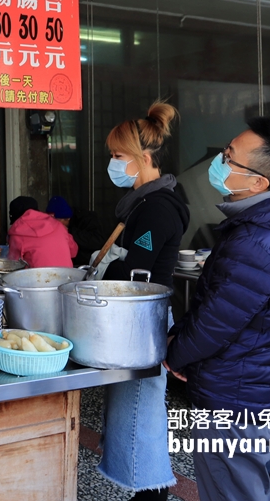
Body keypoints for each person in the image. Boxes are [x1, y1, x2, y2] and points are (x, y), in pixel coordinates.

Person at [165, 118, 270, 501]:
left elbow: (215, 323)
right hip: (265, 393)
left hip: (236, 400)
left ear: (259, 183)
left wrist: (175, 356)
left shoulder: (259, 241)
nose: (219, 162)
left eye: (229, 158)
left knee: (236, 491)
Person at [99, 101, 189, 501]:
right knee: (136, 405)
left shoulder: (156, 208)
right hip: (139, 318)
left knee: (139, 408)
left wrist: (101, 277)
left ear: (144, 158)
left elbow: (138, 272)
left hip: (143, 319)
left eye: (119, 156)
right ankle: (147, 489)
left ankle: (151, 491)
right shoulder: (147, 200)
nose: (113, 163)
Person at [7, 196, 77, 267]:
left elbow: (13, 264)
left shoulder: (17, 233)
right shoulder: (58, 225)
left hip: (38, 277)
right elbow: (74, 251)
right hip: (67, 276)